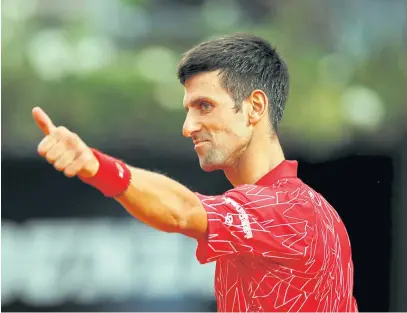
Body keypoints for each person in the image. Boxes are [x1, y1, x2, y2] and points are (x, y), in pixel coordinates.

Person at [32, 33, 358, 312]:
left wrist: (97, 167)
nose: (188, 128)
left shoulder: (287, 211)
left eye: (204, 106)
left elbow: (184, 212)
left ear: (255, 107)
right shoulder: (324, 216)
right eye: (188, 110)